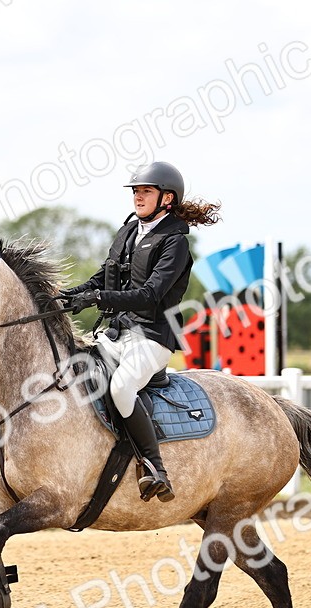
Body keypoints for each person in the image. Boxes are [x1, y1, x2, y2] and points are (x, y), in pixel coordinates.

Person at [62, 162, 221, 502]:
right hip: (119, 333)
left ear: (167, 198)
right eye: (136, 191)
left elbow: (150, 295)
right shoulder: (130, 231)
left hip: (152, 337)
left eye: (145, 191)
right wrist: (71, 295)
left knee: (121, 387)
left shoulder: (174, 243)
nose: (138, 197)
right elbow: (103, 277)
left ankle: (154, 467)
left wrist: (98, 298)